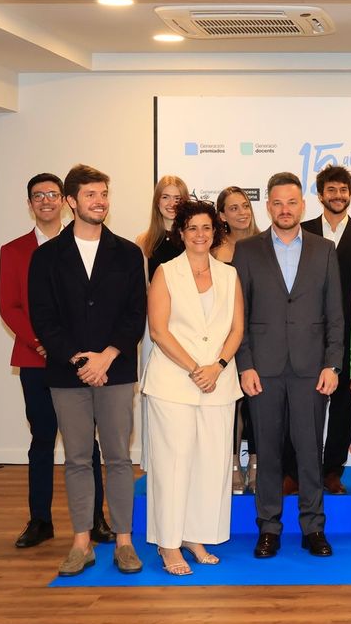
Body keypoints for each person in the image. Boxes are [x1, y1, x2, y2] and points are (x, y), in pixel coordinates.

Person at [28, 164, 147, 576]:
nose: (100, 201)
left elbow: (136, 314)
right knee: (77, 458)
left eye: (104, 193)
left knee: (117, 457)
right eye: (92, 194)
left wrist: (107, 355)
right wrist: (80, 359)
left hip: (115, 369)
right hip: (68, 372)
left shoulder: (128, 253)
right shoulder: (46, 257)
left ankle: (125, 541)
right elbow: (42, 318)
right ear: (71, 202)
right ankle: (82, 543)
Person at [233, 172, 344, 559]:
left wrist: (333, 364)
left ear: (303, 205)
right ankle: (268, 529)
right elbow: (239, 316)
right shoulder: (246, 251)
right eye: (277, 203)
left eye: (291, 202)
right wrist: (244, 364)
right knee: (268, 451)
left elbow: (335, 314)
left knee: (311, 452)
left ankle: (313, 527)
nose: (284, 209)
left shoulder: (324, 249)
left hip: (311, 370)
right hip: (262, 370)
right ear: (268, 207)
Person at [0, 173, 113, 549]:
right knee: (42, 439)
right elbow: (9, 307)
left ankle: (97, 519)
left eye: (51, 194)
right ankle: (40, 521)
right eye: (37, 196)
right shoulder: (13, 250)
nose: (45, 200)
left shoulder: (82, 242)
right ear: (29, 203)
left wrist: (70, 349)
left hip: (77, 360)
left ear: (65, 201)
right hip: (36, 360)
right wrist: (41, 343)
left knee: (87, 444)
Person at [142, 199, 244, 575]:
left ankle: (195, 535)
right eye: (192, 229)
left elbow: (236, 329)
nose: (200, 235)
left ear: (215, 232)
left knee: (210, 465)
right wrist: (194, 369)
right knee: (173, 464)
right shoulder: (166, 273)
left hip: (218, 383)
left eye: (206, 228)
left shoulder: (228, 274)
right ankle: (169, 544)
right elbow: (158, 330)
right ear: (180, 233)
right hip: (173, 383)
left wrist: (216, 367)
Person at [293, 166, 351, 496]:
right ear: (320, 195)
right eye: (331, 190)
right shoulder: (303, 230)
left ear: (350, 194)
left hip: (348, 332)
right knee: (304, 407)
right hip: (307, 333)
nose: (337, 195)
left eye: (343, 190)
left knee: (342, 407)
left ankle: (332, 471)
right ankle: (299, 472)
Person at [135, 175, 189, 474]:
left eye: (177, 197)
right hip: (156, 327)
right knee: (155, 393)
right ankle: (156, 463)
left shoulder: (194, 236)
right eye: (166, 197)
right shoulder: (144, 241)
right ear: (157, 202)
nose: (171, 203)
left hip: (192, 326)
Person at [213, 186, 261, 494]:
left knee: (257, 402)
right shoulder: (214, 249)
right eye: (233, 208)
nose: (242, 212)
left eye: (245, 206)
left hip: (259, 334)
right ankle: (232, 464)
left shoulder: (266, 244)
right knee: (232, 403)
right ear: (222, 216)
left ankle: (256, 464)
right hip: (225, 335)